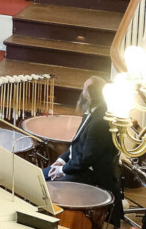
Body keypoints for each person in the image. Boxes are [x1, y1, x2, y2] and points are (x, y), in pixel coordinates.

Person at [45, 76, 122, 225]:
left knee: (52, 188)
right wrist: (60, 160)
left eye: (84, 90)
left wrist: (62, 170)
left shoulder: (100, 122)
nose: (82, 92)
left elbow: (86, 159)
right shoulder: (92, 112)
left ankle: (59, 222)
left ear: (90, 95)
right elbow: (76, 145)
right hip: (79, 166)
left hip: (91, 175)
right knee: (41, 177)